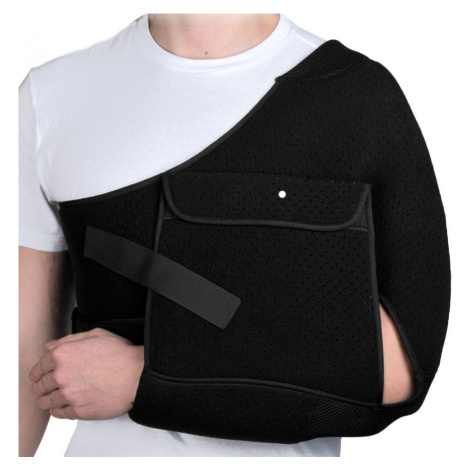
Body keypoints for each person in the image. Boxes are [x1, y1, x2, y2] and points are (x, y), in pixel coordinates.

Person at [19, 13, 419, 457]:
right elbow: (23, 352)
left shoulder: (353, 94)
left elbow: (401, 366)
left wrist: (143, 376)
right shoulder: (49, 95)